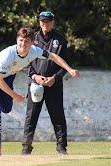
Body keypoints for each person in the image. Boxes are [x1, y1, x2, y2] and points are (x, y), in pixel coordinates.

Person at [0, 27, 78, 161]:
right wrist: (15, 96)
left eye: (26, 41)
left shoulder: (35, 51)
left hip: (8, 76)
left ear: (32, 42)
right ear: (17, 40)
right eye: (20, 40)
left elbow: (53, 56)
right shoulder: (8, 55)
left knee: (6, 108)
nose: (23, 44)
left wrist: (69, 69)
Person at [21, 11, 73, 156]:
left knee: (57, 116)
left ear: (53, 22)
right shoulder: (32, 38)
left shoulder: (60, 40)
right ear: (39, 22)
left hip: (53, 85)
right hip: (35, 84)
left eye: (48, 21)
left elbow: (65, 65)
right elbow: (23, 61)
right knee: (31, 117)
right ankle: (26, 148)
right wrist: (34, 75)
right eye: (42, 21)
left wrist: (54, 78)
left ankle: (62, 148)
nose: (45, 24)